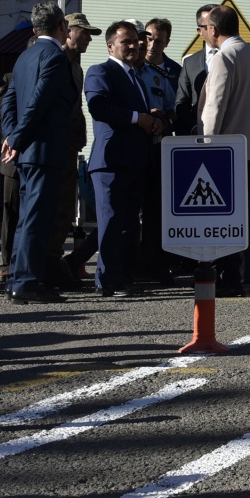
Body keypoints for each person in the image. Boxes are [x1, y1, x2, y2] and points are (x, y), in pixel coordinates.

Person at [198, 3, 250, 295]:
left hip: (230, 152)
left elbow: (213, 108)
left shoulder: (223, 57)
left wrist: (207, 145)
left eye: (205, 28)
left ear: (214, 29)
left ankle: (241, 280)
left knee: (234, 222)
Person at [1, 2, 76, 305]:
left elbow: (10, 100)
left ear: (34, 29)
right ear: (62, 27)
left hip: (26, 149)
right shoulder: (55, 57)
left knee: (26, 218)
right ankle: (27, 282)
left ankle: (18, 278)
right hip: (43, 147)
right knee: (37, 218)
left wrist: (11, 135)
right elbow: (40, 100)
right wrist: (17, 138)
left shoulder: (24, 56)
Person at [85, 20, 164, 297]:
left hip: (136, 160)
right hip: (111, 161)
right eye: (125, 41)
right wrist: (136, 118)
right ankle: (106, 281)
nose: (133, 45)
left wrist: (153, 121)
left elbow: (139, 116)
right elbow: (98, 107)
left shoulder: (137, 76)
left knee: (129, 224)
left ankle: (124, 278)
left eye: (135, 41)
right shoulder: (100, 71)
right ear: (110, 46)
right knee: (111, 222)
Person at [49, 12, 97, 288]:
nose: (89, 37)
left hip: (68, 149)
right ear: (68, 31)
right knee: (48, 209)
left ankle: (56, 263)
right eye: (85, 32)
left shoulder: (76, 67)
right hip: (50, 147)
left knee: (65, 209)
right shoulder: (51, 58)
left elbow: (74, 106)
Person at [136, 25, 177, 286]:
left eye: (152, 41)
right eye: (143, 40)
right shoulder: (118, 74)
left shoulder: (159, 76)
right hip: (130, 149)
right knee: (126, 211)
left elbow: (173, 110)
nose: (146, 45)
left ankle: (154, 263)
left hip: (156, 147)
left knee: (156, 210)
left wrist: (163, 120)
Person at [173, 4, 218, 135]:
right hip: (198, 135)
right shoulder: (190, 63)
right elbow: (181, 103)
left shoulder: (236, 58)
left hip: (233, 134)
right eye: (210, 26)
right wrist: (194, 127)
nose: (215, 30)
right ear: (200, 31)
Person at [145, 18, 183, 96]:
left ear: (167, 42)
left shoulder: (176, 71)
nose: (152, 46)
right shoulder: (133, 67)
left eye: (158, 42)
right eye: (149, 39)